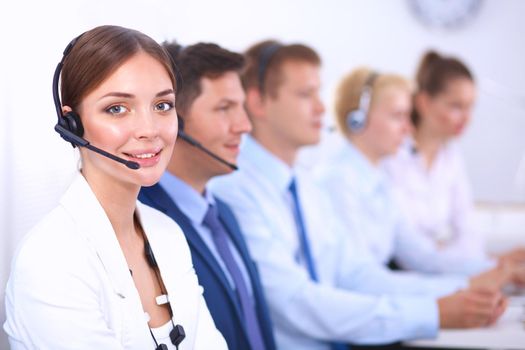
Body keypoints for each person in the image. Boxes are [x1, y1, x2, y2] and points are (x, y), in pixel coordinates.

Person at [210, 40, 507, 349]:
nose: (322, 108)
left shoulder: (305, 185)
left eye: (319, 93)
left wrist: (457, 291)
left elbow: (356, 273)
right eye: (305, 94)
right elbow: (296, 302)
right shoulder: (234, 190)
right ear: (258, 103)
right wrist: (431, 311)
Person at [3, 25, 226, 350]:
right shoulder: (51, 259)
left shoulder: (168, 234)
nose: (149, 130)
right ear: (72, 125)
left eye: (162, 105)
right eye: (117, 109)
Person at [314, 67, 525, 287]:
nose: (408, 128)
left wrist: (502, 271)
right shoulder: (337, 181)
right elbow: (359, 280)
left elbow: (424, 257)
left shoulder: (377, 181)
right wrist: (461, 288)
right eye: (398, 116)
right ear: (357, 120)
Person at [139, 41, 276, 350]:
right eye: (224, 108)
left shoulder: (223, 214)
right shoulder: (143, 223)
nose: (244, 126)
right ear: (176, 121)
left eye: (241, 107)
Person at [383, 51, 525, 275]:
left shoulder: (451, 156)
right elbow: (409, 250)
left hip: (439, 271)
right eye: (456, 106)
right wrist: (492, 265)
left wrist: (491, 263)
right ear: (423, 103)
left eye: (471, 107)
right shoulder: (391, 156)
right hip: (402, 274)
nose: (467, 118)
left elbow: (469, 234)